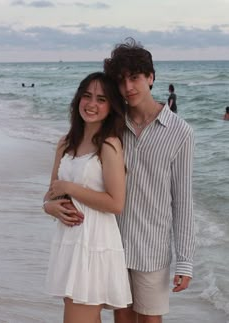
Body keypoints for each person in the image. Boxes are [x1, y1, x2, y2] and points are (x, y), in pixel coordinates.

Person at [103, 38, 195, 323]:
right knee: (122, 319)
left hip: (152, 249)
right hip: (113, 242)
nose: (128, 87)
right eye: (121, 81)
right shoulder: (114, 124)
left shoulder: (180, 132)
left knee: (150, 320)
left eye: (135, 78)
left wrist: (185, 261)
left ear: (150, 78)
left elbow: (182, 200)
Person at [43, 72, 132, 323]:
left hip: (94, 245)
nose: (92, 104)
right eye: (87, 96)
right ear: (78, 99)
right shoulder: (65, 143)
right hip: (69, 243)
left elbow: (116, 203)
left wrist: (70, 187)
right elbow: (51, 191)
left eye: (101, 99)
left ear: (111, 106)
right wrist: (49, 207)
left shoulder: (109, 145)